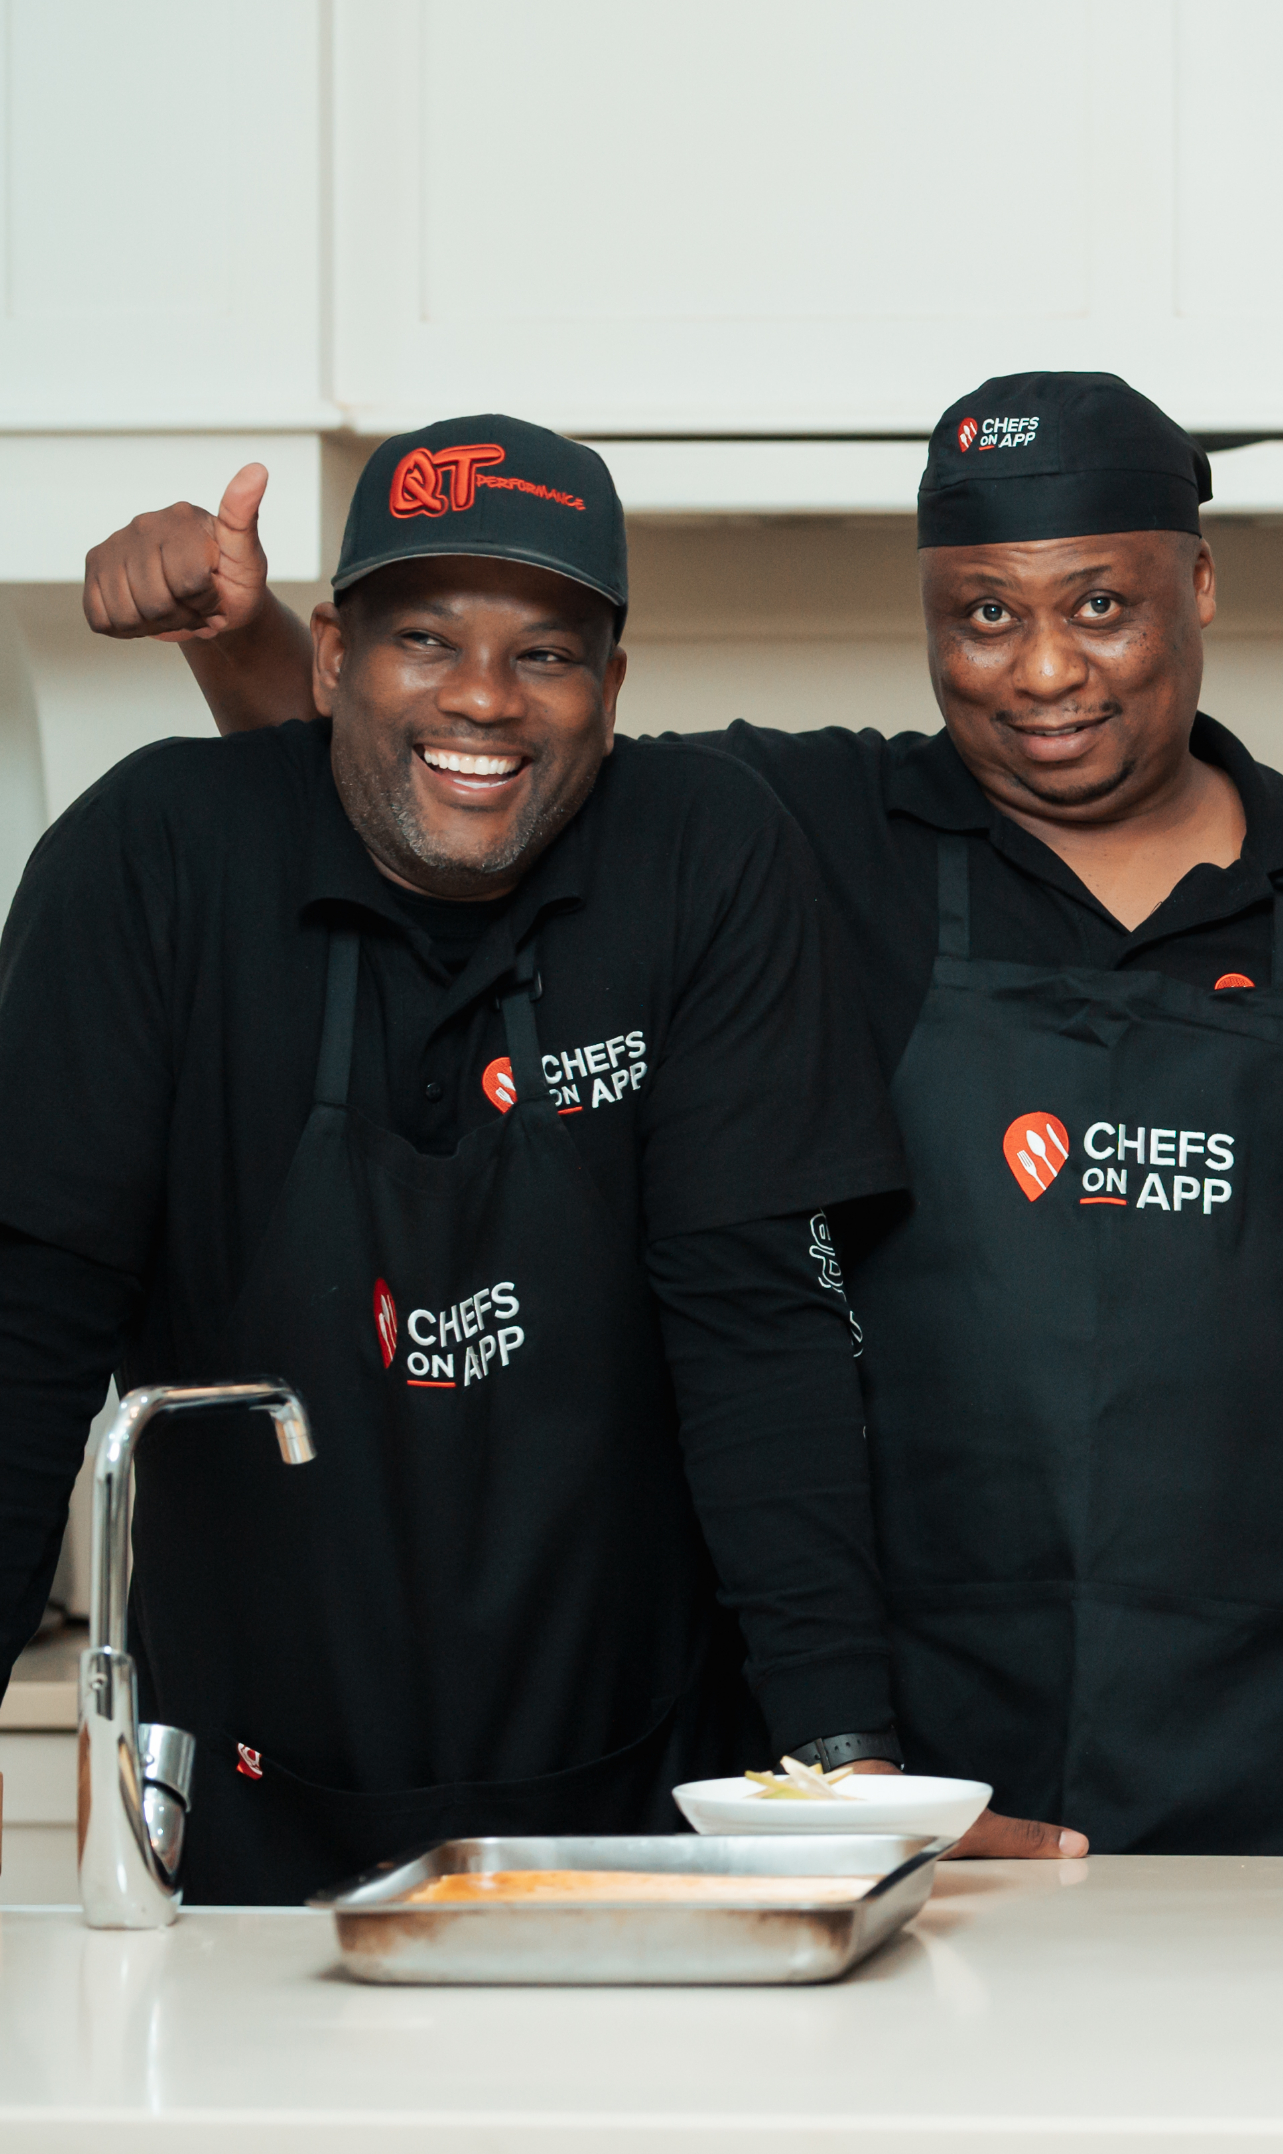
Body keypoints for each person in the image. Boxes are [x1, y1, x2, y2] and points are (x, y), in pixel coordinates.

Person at [76, 372, 1283, 1858]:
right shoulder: (791, 835)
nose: (1039, 671)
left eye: (1099, 607)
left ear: (1198, 582)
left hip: (1271, 1727)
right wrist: (244, 640)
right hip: (872, 1739)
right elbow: (452, 791)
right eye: (981, 615)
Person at [0, 417, 906, 1901]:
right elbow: (28, 1331)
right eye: (426, 637)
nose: (483, 696)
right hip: (239, 1818)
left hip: (646, 1813)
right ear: (332, 651)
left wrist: (843, 1754)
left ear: (611, 687)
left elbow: (760, 1330)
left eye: (545, 652)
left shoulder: (702, 854)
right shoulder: (155, 857)